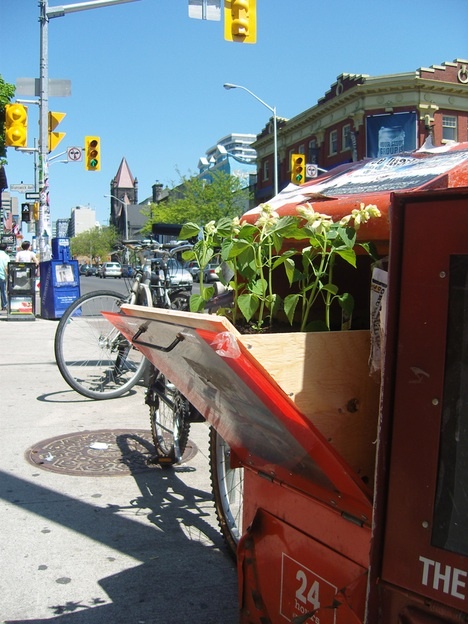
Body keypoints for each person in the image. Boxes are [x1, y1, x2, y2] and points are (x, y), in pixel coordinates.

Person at [0, 243, 10, 311]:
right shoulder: (6, 256)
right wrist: (8, 275)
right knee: (3, 291)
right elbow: (7, 267)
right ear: (6, 248)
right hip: (2, 275)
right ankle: (4, 305)